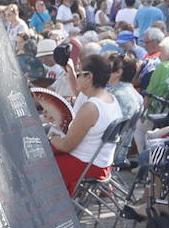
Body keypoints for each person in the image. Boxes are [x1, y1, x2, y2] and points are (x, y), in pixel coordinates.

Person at [47, 54, 122, 195]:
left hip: (87, 166)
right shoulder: (111, 99)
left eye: (79, 74)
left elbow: (66, 146)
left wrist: (51, 137)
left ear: (89, 77)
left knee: (36, 165)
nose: (76, 78)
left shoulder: (91, 107)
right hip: (100, 164)